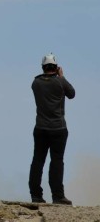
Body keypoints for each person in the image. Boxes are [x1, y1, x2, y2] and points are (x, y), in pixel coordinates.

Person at [28, 53, 75, 205]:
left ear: (43, 67)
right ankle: (57, 196)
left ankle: (36, 195)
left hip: (40, 128)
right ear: (56, 67)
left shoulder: (36, 83)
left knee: (38, 160)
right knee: (56, 161)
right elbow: (72, 94)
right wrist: (61, 77)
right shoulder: (60, 82)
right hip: (58, 129)